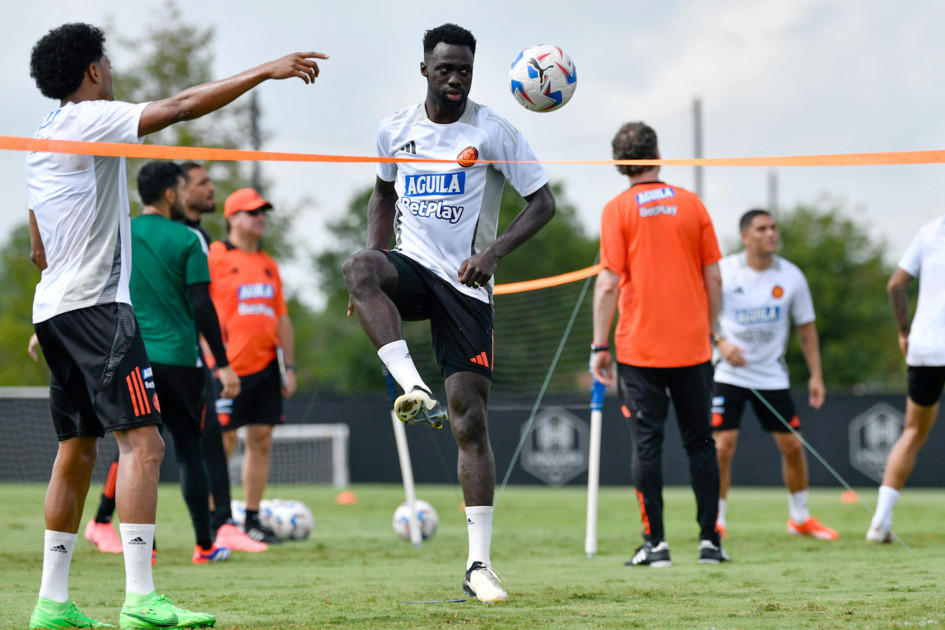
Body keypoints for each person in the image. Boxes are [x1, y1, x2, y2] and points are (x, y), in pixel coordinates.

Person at [26, 22, 325, 629]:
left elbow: (37, 248)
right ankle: (140, 600)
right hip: (97, 309)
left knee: (77, 453)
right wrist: (265, 69)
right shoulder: (90, 119)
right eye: (105, 65)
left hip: (52, 310)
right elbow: (182, 106)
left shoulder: (40, 138)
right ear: (91, 72)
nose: (111, 73)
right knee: (146, 444)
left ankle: (51, 605)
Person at [342, 23, 556, 603]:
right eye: (445, 69)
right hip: (412, 268)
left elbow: (544, 202)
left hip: (466, 284)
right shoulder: (396, 129)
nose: (455, 79)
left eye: (464, 69)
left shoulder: (494, 130)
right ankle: (410, 386)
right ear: (425, 71)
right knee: (359, 268)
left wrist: (493, 253)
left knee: (470, 422)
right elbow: (383, 194)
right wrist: (378, 256)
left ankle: (478, 566)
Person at [589, 121, 728, 567]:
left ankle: (657, 546)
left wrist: (598, 345)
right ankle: (710, 542)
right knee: (701, 444)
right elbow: (715, 276)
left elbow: (608, 283)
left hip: (639, 349)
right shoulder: (692, 204)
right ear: (657, 154)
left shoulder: (617, 209)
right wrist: (712, 328)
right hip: (693, 346)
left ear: (618, 164)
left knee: (647, 448)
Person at [712, 209, 837, 541]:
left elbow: (806, 328)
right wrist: (719, 343)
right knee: (722, 446)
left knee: (792, 445)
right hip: (729, 374)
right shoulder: (725, 271)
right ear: (745, 237)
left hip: (772, 376)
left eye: (773, 228)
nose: (771, 233)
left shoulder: (791, 275)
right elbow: (699, 312)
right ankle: (716, 519)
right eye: (762, 228)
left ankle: (800, 518)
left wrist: (816, 375)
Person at [208, 188, 298, 545]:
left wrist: (289, 366)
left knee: (261, 440)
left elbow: (281, 318)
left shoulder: (268, 263)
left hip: (264, 367)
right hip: (226, 368)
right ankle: (218, 521)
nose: (259, 217)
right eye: (251, 212)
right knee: (223, 442)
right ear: (231, 217)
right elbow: (198, 308)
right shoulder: (215, 255)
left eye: (263, 212)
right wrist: (215, 362)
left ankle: (252, 518)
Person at [867, 214, 945, 543]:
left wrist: (904, 332)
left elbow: (896, 284)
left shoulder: (930, 230)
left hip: (925, 346)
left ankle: (880, 523)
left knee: (912, 432)